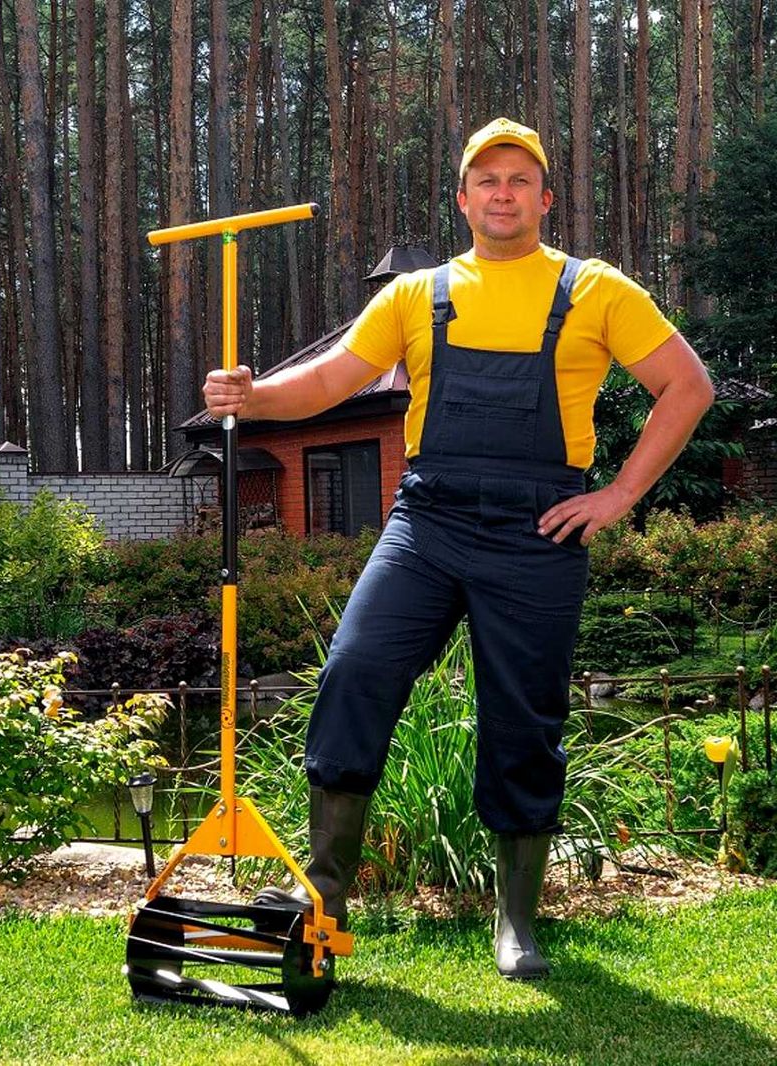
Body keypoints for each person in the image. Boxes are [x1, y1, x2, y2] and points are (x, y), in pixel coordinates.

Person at [203, 118, 714, 980]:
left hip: (539, 531)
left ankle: (516, 920)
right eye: (487, 181)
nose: (502, 193)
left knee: (526, 717)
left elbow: (688, 386)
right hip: (429, 522)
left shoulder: (596, 290)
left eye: (518, 180)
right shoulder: (417, 294)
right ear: (463, 199)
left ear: (545, 199)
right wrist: (251, 397)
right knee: (355, 670)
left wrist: (619, 495)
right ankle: (324, 893)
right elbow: (330, 382)